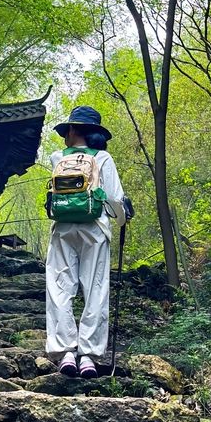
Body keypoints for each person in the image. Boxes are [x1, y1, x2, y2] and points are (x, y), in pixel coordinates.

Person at [45, 105, 126, 379]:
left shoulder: (57, 157)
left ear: (71, 130)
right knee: (95, 289)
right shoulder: (103, 158)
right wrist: (123, 218)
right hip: (94, 228)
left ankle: (65, 352)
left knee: (59, 288)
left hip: (63, 228)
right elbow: (115, 200)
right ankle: (88, 356)